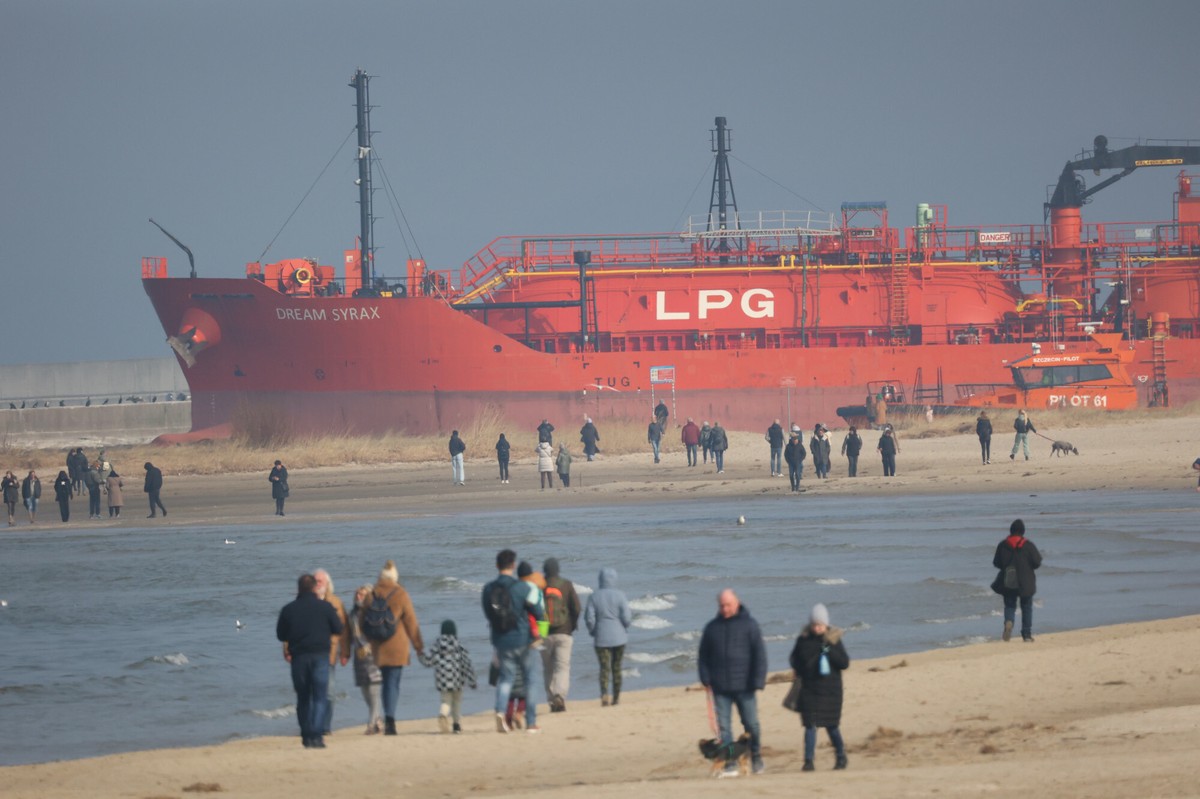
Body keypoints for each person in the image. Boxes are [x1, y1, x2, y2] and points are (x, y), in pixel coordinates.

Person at [698, 588, 767, 777]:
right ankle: (729, 764)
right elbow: (703, 655)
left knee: (751, 725)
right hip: (720, 688)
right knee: (724, 729)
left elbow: (759, 654)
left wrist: (758, 680)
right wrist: (705, 677)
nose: (725, 609)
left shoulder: (750, 625)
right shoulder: (712, 627)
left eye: (728, 605)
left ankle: (756, 756)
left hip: (745, 686)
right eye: (722, 605)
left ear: (736, 603)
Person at [275, 573, 344, 749]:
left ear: (298, 589)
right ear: (314, 588)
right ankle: (317, 736)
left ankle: (306, 735)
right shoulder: (325, 607)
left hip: (299, 658)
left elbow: (281, 635)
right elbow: (338, 628)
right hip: (321, 656)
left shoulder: (288, 609)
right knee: (320, 696)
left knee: (303, 697)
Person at [482, 548, 543, 733]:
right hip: (523, 640)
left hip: (501, 641)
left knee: (506, 679)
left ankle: (501, 711)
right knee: (530, 680)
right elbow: (538, 612)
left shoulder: (488, 589)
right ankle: (531, 723)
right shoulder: (522, 588)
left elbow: (488, 614)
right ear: (513, 565)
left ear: (496, 565)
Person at [788, 603, 850, 772]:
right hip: (809, 690)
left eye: (820, 625)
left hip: (831, 692)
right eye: (815, 624)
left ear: (826, 624)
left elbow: (844, 663)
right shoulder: (804, 639)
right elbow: (794, 659)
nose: (817, 628)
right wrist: (805, 663)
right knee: (810, 726)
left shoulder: (834, 638)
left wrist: (829, 651)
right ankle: (808, 761)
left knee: (832, 726)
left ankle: (841, 756)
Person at [368, 560, 424, 735]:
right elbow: (411, 623)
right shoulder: (401, 594)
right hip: (397, 646)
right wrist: (418, 646)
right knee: (393, 682)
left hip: (378, 646)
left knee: (386, 682)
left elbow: (363, 622)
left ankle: (388, 716)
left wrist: (365, 643)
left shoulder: (372, 594)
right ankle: (390, 719)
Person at [418, 620, 477, 734]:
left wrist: (421, 656)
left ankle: (443, 714)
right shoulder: (459, 645)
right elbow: (467, 664)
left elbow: (428, 662)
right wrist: (472, 681)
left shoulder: (437, 646)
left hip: (443, 681)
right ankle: (456, 725)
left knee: (446, 701)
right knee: (457, 702)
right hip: (458, 680)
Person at [584, 566, 632, 707]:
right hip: (619, 638)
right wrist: (623, 627)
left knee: (604, 668)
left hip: (601, 638)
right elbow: (627, 618)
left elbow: (589, 619)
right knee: (616, 668)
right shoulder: (620, 595)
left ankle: (604, 694)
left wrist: (593, 631)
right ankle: (616, 698)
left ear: (600, 579)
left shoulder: (594, 596)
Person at [990, 519, 1043, 642]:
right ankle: (1027, 635)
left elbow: (996, 563)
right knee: (1026, 607)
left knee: (1009, 606)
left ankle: (1009, 622)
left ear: (1011, 531)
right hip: (1026, 581)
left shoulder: (1003, 545)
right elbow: (1037, 562)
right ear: (1023, 531)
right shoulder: (1028, 545)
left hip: (1009, 581)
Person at [541, 557, 582, 713]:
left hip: (543, 633)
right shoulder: (566, 584)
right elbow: (577, 608)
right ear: (558, 570)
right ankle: (560, 695)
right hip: (564, 632)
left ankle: (552, 700)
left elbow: (531, 610)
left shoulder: (539, 587)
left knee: (547, 668)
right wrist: (572, 625)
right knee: (562, 667)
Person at [313, 569, 350, 737]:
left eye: (320, 581)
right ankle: (313, 725)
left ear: (328, 584)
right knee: (311, 692)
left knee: (329, 692)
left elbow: (344, 629)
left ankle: (326, 727)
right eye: (315, 581)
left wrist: (345, 652)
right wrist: (288, 649)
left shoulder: (336, 602)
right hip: (309, 653)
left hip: (330, 654)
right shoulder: (305, 602)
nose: (318, 584)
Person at [348, 583, 383, 734]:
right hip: (359, 657)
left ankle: (371, 724)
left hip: (373, 654)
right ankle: (378, 720)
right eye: (357, 594)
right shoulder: (352, 614)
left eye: (362, 594)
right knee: (365, 691)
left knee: (374, 690)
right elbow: (348, 635)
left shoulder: (375, 612)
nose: (358, 596)